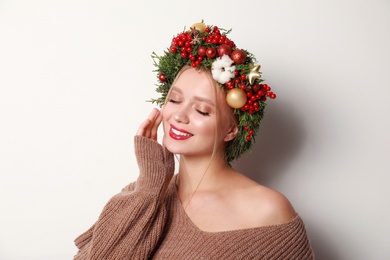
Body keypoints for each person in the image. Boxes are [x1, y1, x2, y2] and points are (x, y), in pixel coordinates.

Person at [74, 22, 314, 259]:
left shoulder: (268, 210)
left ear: (231, 130)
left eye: (201, 110)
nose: (178, 116)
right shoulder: (142, 195)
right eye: (175, 100)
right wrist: (149, 185)